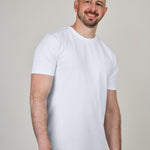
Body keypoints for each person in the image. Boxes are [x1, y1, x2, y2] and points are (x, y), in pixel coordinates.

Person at [30, 0, 121, 150]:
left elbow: (111, 111)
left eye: (99, 4)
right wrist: (44, 145)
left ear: (104, 11)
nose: (93, 8)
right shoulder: (54, 42)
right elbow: (37, 97)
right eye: (87, 2)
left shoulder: (109, 55)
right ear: (76, 5)